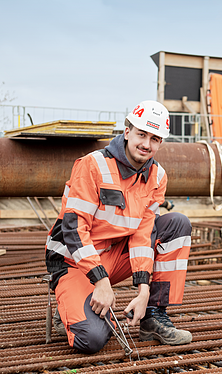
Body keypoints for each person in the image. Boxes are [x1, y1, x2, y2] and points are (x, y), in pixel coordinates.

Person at [45, 100, 193, 354]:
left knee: (176, 224)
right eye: (141, 134)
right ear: (127, 132)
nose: (146, 144)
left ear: (161, 142)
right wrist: (101, 281)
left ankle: (153, 317)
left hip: (113, 257)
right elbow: (73, 229)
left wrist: (144, 290)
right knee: (91, 339)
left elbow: (143, 235)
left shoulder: (157, 176)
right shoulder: (92, 165)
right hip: (74, 261)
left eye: (155, 138)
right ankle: (67, 309)